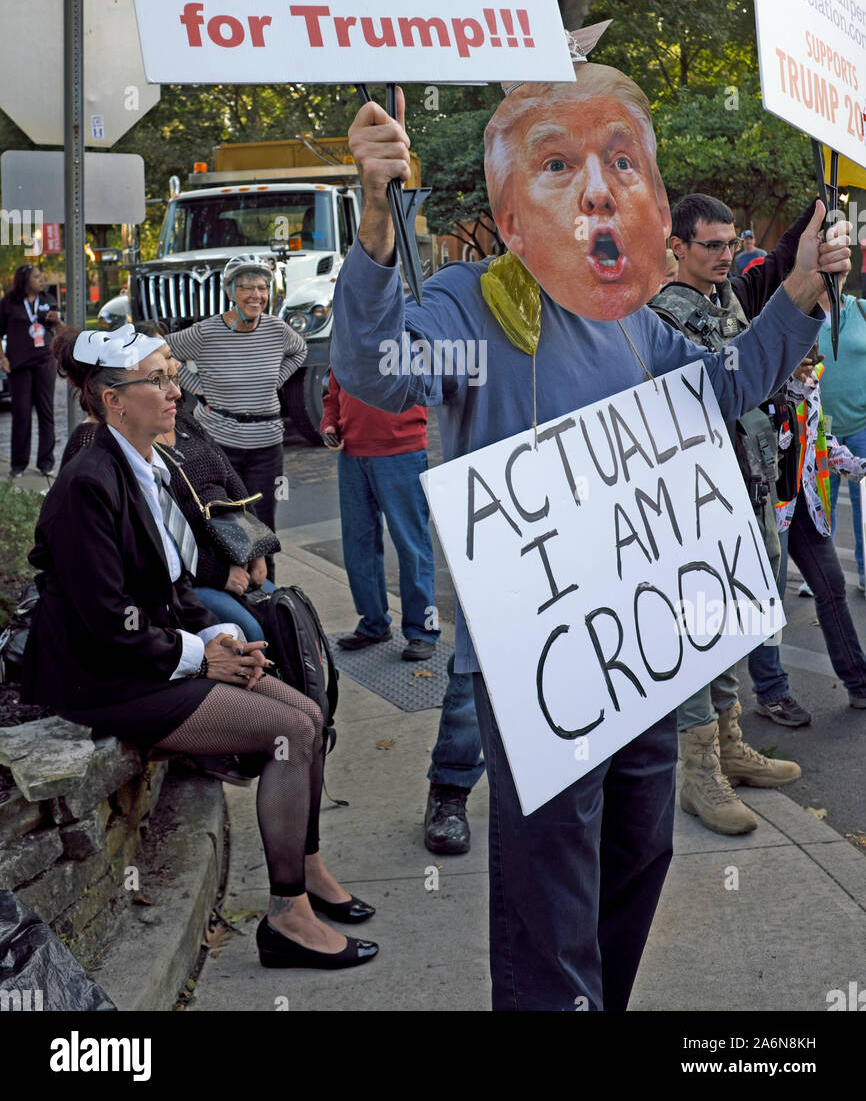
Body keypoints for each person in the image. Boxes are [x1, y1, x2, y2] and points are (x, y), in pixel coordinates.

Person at [330, 65, 849, 1012]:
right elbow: (375, 370)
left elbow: (727, 383)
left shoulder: (634, 326)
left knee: (639, 854)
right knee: (550, 895)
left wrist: (803, 291)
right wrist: (373, 219)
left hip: (639, 657)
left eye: (618, 160)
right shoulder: (468, 306)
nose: (598, 187)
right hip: (538, 663)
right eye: (558, 163)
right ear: (511, 209)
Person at [21, 323, 377, 970]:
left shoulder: (149, 466)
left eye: (172, 374)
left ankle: (304, 876)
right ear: (112, 400)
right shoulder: (87, 483)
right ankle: (287, 915)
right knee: (290, 733)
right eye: (157, 379)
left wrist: (219, 635)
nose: (174, 390)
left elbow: (174, 585)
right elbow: (107, 620)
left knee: (305, 712)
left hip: (149, 659)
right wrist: (199, 656)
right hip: (107, 680)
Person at [649, 193, 810, 835]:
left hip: (749, 484)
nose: (723, 255)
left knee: (736, 623)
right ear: (678, 248)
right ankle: (698, 772)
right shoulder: (663, 317)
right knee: (697, 632)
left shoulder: (728, 302)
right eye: (709, 245)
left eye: (728, 243)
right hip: (698, 501)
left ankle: (730, 743)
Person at [321, 369, 484, 854]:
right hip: (353, 452)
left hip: (400, 451)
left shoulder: (408, 332)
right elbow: (335, 387)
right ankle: (373, 623)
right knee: (359, 544)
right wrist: (331, 420)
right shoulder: (353, 341)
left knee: (410, 546)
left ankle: (423, 630)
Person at [490, 62, 671, 320]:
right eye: (557, 165)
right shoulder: (461, 302)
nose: (599, 193)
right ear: (511, 222)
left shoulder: (639, 321)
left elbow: (712, 362)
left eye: (622, 163)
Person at [167, 256, 307, 580]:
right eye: (247, 287)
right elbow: (164, 353)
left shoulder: (276, 329)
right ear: (231, 291)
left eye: (262, 287)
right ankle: (230, 592)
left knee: (262, 526)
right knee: (223, 523)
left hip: (266, 444)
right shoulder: (205, 333)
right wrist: (198, 388)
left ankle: (268, 603)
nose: (256, 295)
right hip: (219, 444)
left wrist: (276, 380)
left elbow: (299, 351)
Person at [768, 342, 866, 711]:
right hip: (771, 509)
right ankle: (770, 691)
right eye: (806, 360)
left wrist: (857, 465)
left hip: (807, 504)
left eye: (815, 358)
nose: (813, 366)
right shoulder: (764, 386)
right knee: (769, 602)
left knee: (833, 586)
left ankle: (859, 681)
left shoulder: (812, 385)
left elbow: (821, 440)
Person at [817, 292, 866, 593]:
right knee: (823, 504)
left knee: (864, 508)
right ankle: (823, 577)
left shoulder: (862, 310)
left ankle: (865, 570)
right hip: (821, 429)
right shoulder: (803, 312)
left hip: (863, 427)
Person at [0, 264, 62, 478]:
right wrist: (2, 358)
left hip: (44, 362)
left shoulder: (48, 300)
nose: (42, 279)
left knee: (47, 413)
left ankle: (46, 463)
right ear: (25, 280)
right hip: (19, 366)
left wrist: (57, 321)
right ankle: (18, 464)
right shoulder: (9, 303)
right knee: (21, 414)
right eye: (37, 277)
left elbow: (58, 329)